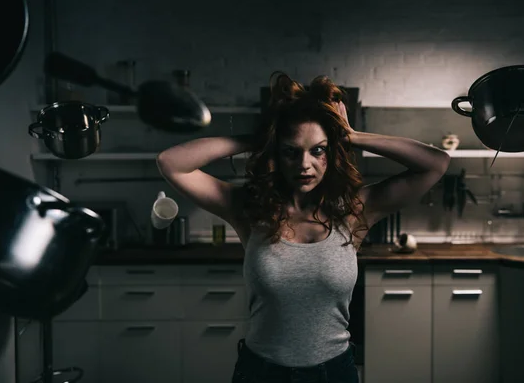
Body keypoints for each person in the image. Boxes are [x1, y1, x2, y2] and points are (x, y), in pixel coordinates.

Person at [156, 72, 451, 383]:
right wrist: (260, 139)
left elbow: (436, 163)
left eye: (317, 150)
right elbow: (171, 162)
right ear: (278, 154)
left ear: (332, 152)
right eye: (291, 151)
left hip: (333, 374)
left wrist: (351, 135)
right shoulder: (250, 210)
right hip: (261, 374)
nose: (304, 164)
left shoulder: (353, 212)